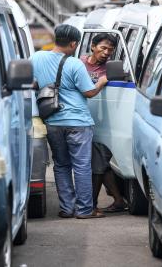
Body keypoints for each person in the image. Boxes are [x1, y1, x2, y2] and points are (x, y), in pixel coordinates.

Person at [31, 25, 108, 219]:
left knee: (61, 164)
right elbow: (89, 92)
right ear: (73, 44)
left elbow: (32, 84)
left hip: (52, 121)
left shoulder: (36, 57)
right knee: (82, 166)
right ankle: (84, 210)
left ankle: (67, 208)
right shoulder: (75, 64)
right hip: (78, 122)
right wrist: (102, 81)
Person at [80, 33, 128, 213]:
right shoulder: (79, 64)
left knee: (99, 163)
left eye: (110, 50)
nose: (107, 52)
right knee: (101, 163)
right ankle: (117, 200)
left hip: (104, 122)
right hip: (82, 119)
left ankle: (91, 205)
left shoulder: (112, 69)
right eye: (103, 48)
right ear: (93, 46)